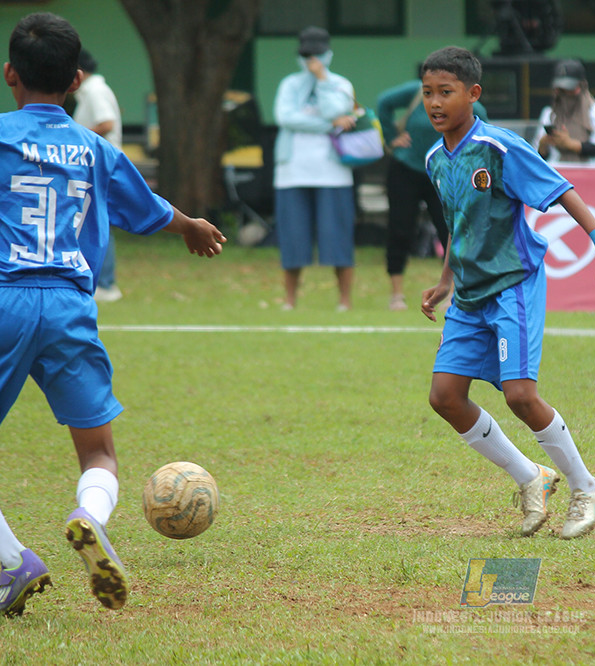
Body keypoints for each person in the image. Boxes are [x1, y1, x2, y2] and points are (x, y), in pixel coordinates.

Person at [0, 12, 226, 616]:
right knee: (98, 452)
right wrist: (191, 225)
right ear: (75, 79)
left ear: (10, 74)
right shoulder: (94, 149)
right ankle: (89, 516)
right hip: (71, 306)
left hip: (5, 298)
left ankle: (11, 561)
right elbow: (146, 205)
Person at [419, 47, 595, 539]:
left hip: (513, 285)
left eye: (445, 92)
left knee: (520, 395)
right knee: (445, 397)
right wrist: (446, 279)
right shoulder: (435, 158)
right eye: (428, 93)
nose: (434, 103)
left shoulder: (498, 147)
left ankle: (586, 487)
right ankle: (531, 476)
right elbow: (459, 222)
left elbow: (562, 189)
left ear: (473, 94)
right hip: (469, 295)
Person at [376, 79, 488, 311]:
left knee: (450, 230)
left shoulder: (470, 105)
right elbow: (384, 102)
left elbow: (484, 136)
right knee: (400, 229)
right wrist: (391, 137)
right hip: (407, 169)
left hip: (445, 172)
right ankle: (396, 295)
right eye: (429, 91)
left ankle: (453, 291)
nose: (435, 101)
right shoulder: (416, 92)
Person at [273, 26, 357, 311]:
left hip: (333, 173)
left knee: (337, 238)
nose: (312, 60)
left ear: (328, 54)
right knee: (293, 238)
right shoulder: (289, 84)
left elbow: (337, 111)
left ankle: (344, 301)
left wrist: (322, 80)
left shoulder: (340, 84)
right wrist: (329, 125)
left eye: (317, 54)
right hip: (291, 172)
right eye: (307, 55)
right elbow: (285, 118)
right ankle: (289, 300)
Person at [73, 48, 123, 303]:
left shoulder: (94, 91)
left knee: (99, 222)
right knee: (94, 221)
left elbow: (107, 123)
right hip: (96, 165)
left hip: (100, 166)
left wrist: (74, 137)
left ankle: (105, 284)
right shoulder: (91, 90)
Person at [531, 59, 595, 166]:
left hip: (588, 172)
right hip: (556, 173)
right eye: (561, 89)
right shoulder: (549, 113)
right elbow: (538, 156)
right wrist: (543, 144)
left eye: (568, 89)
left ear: (581, 86)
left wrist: (569, 143)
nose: (565, 93)